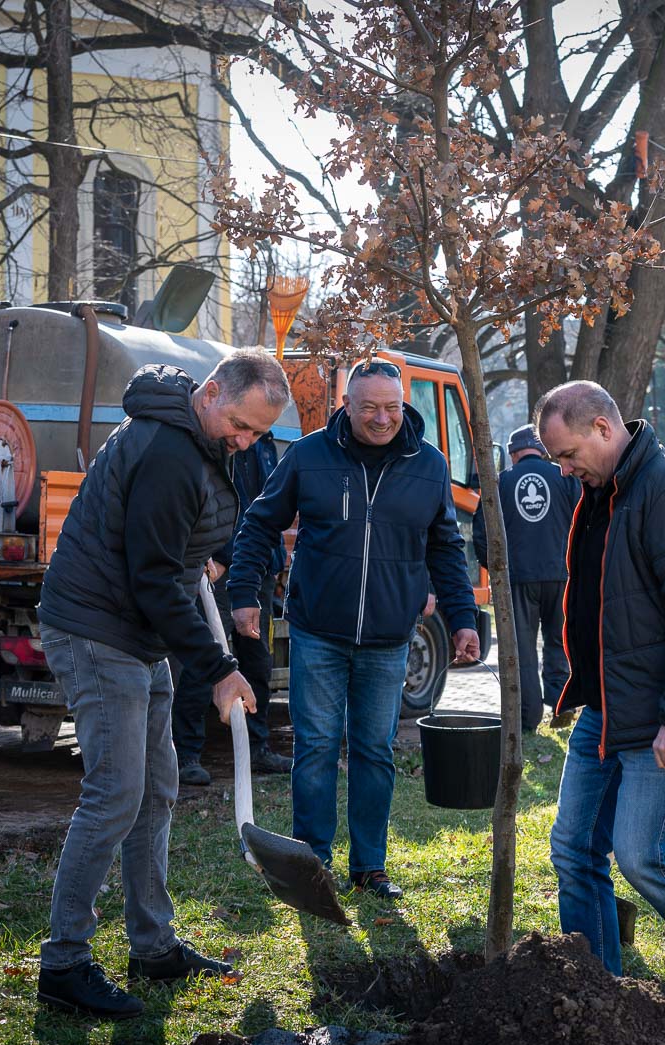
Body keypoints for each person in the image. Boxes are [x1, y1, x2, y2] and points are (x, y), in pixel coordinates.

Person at [34, 349, 288, 1019]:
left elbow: (157, 542)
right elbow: (149, 577)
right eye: (241, 425)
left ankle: (152, 945)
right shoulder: (170, 448)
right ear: (211, 392)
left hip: (136, 630)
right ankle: (64, 963)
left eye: (258, 433)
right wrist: (219, 669)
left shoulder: (197, 437)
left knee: (155, 790)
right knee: (116, 794)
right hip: (97, 628)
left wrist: (190, 553)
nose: (245, 441)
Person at [229, 358, 480, 901]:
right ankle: (313, 863)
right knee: (316, 746)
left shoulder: (429, 465)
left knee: (374, 751)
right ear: (347, 404)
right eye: (369, 408)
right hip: (318, 630)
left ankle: (369, 868)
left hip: (389, 638)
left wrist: (463, 619)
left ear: (403, 403)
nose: (382, 418)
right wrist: (244, 592)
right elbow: (259, 523)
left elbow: (444, 547)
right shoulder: (309, 456)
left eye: (391, 407)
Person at [535, 380, 665, 977]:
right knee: (573, 849)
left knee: (642, 856)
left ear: (603, 428)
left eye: (568, 454)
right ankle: (595, 983)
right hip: (609, 705)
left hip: (662, 715)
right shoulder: (606, 491)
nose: (565, 470)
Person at [172, 431, 291, 785]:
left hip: (258, 572)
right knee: (206, 659)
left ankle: (257, 748)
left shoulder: (266, 444)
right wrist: (219, 555)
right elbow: (213, 503)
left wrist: (275, 559)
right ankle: (187, 754)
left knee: (258, 661)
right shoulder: (221, 438)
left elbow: (269, 507)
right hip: (222, 570)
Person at [474, 424, 580, 734]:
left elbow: (481, 532)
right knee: (559, 640)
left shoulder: (501, 483)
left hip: (518, 579)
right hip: (561, 575)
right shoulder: (566, 478)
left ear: (513, 453)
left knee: (521, 649)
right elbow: (585, 520)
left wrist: (495, 569)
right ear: (542, 451)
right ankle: (561, 702)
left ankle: (527, 715)